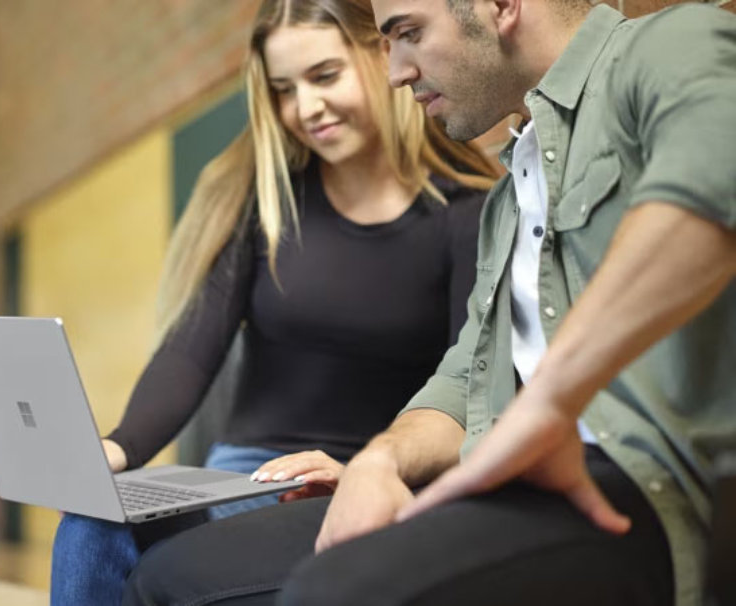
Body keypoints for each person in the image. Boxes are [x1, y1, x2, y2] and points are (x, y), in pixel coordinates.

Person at [121, 0, 736, 604]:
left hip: (646, 487)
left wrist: (548, 403)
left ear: (501, 5)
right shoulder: (509, 198)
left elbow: (707, 187)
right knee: (166, 578)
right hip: (509, 485)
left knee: (333, 590)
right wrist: (378, 461)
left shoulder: (667, 45)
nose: (395, 71)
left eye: (409, 32)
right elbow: (463, 380)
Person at [49, 0, 500, 603]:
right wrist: (115, 448)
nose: (305, 108)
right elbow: (189, 350)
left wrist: (378, 470)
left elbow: (469, 386)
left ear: (383, 53)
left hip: (369, 478)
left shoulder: (468, 212)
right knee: (92, 523)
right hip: (244, 475)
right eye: (284, 90)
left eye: (324, 76)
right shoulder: (263, 199)